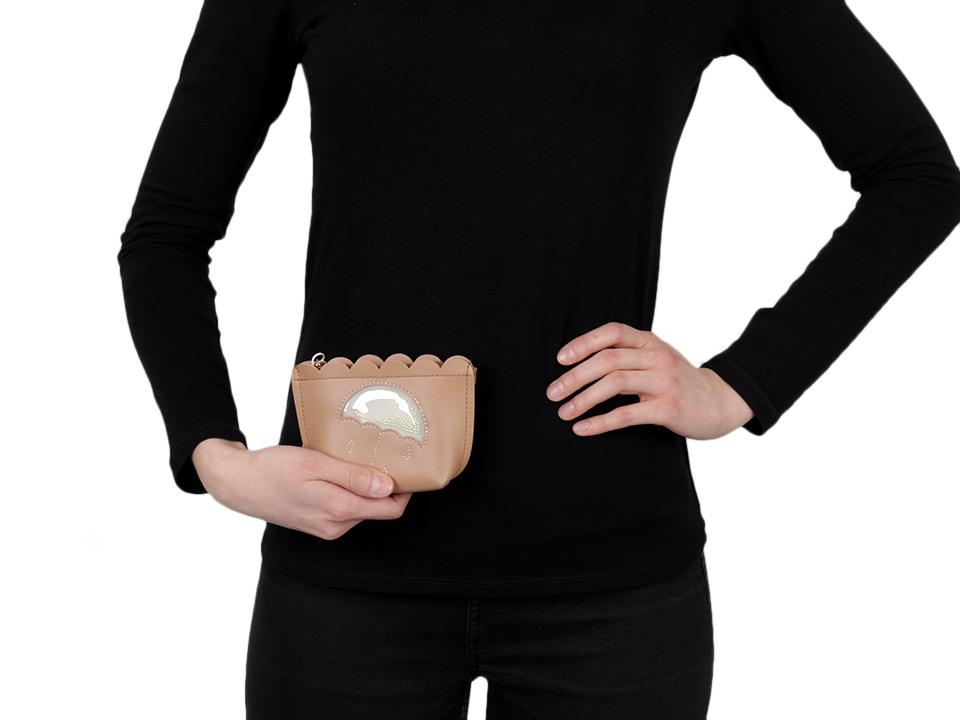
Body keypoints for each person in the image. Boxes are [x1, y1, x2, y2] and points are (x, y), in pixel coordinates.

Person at [117, 0, 960, 717]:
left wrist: (742, 383)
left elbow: (917, 176)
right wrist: (214, 456)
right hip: (345, 574)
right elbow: (167, 234)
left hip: (613, 591)